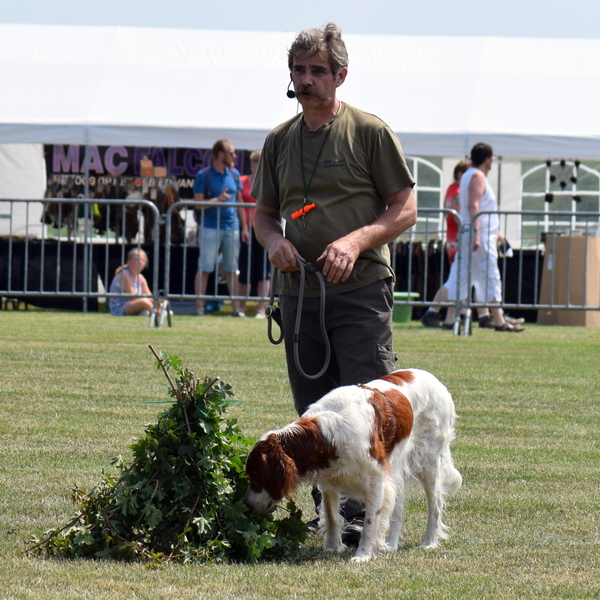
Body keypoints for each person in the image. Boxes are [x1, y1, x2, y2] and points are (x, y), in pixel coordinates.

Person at [251, 23, 417, 538]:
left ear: (340, 75)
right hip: (300, 294)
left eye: (317, 71)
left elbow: (405, 209)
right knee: (315, 412)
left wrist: (354, 242)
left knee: (368, 408)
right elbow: (263, 215)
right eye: (299, 71)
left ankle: (370, 513)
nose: (307, 80)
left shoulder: (369, 131)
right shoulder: (279, 140)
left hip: (361, 290)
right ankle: (331, 515)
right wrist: (274, 242)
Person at [450, 142, 524, 332]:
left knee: (466, 277)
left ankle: (455, 319)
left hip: (473, 233)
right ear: (488, 159)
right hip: (479, 236)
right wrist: (476, 235)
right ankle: (499, 321)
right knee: (489, 275)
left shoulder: (468, 175)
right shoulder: (477, 176)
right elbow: (474, 206)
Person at [193, 140, 249, 317]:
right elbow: (197, 204)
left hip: (232, 228)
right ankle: (200, 307)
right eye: (231, 153)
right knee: (205, 268)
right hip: (210, 228)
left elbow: (239, 201)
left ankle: (236, 309)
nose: (235, 156)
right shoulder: (204, 175)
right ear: (220, 154)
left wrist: (244, 227)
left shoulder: (234, 174)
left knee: (232, 269)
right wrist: (217, 200)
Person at [419, 161, 468, 328]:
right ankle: (433, 312)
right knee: (455, 280)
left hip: (453, 240)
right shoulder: (457, 192)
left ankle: (459, 316)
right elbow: (459, 217)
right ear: (461, 175)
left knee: (461, 279)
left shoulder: (451, 190)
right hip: (456, 241)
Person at [238, 150, 271, 318]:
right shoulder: (242, 181)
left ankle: (261, 309)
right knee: (244, 269)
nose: (256, 165)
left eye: (259, 162)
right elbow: (240, 206)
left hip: (265, 229)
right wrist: (243, 228)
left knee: (263, 270)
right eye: (253, 162)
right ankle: (240, 308)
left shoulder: (268, 181)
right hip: (247, 229)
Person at [109, 248, 160, 316]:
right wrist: (151, 301)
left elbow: (149, 295)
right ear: (129, 261)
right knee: (144, 302)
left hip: (133, 304)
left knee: (156, 302)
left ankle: (154, 312)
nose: (140, 262)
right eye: (137, 259)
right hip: (121, 307)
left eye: (143, 260)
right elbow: (133, 297)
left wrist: (156, 301)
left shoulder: (141, 278)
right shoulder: (125, 275)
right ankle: (158, 315)